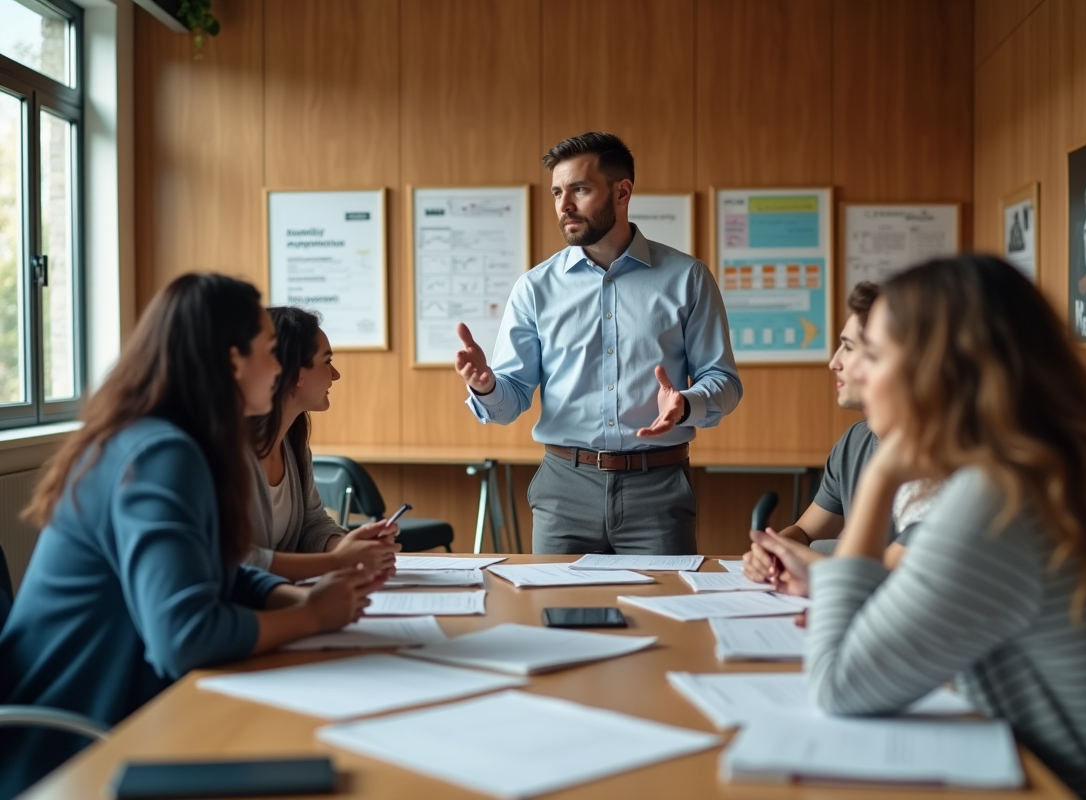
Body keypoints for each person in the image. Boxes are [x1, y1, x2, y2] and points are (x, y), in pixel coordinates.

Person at [754, 255, 1086, 799]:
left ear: (938, 370)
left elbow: (837, 685)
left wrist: (882, 475)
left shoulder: (997, 501)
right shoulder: (1039, 474)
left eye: (874, 353)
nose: (856, 370)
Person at [0, 275, 384, 798]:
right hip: (75, 745)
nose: (278, 369)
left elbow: (210, 569)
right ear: (232, 362)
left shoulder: (173, 442)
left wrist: (289, 595)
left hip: (135, 713)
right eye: (270, 352)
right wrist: (312, 616)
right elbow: (183, 637)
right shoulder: (161, 454)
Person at [454, 132, 742, 554]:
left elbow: (724, 382)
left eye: (580, 189)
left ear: (622, 191)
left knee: (662, 617)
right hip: (564, 487)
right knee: (556, 615)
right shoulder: (535, 288)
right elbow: (511, 400)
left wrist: (685, 404)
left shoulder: (687, 279)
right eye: (557, 192)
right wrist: (486, 386)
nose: (564, 205)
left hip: (657, 486)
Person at [742, 282, 915, 582]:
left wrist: (815, 570)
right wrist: (774, 552)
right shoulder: (856, 440)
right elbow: (806, 531)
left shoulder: (943, 467)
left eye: (848, 348)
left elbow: (883, 581)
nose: (834, 363)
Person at [247, 307, 402, 582]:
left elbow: (312, 522)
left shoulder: (292, 442)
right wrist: (335, 561)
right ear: (295, 372)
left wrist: (351, 546)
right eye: (327, 361)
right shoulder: (226, 453)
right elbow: (237, 558)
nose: (336, 375)